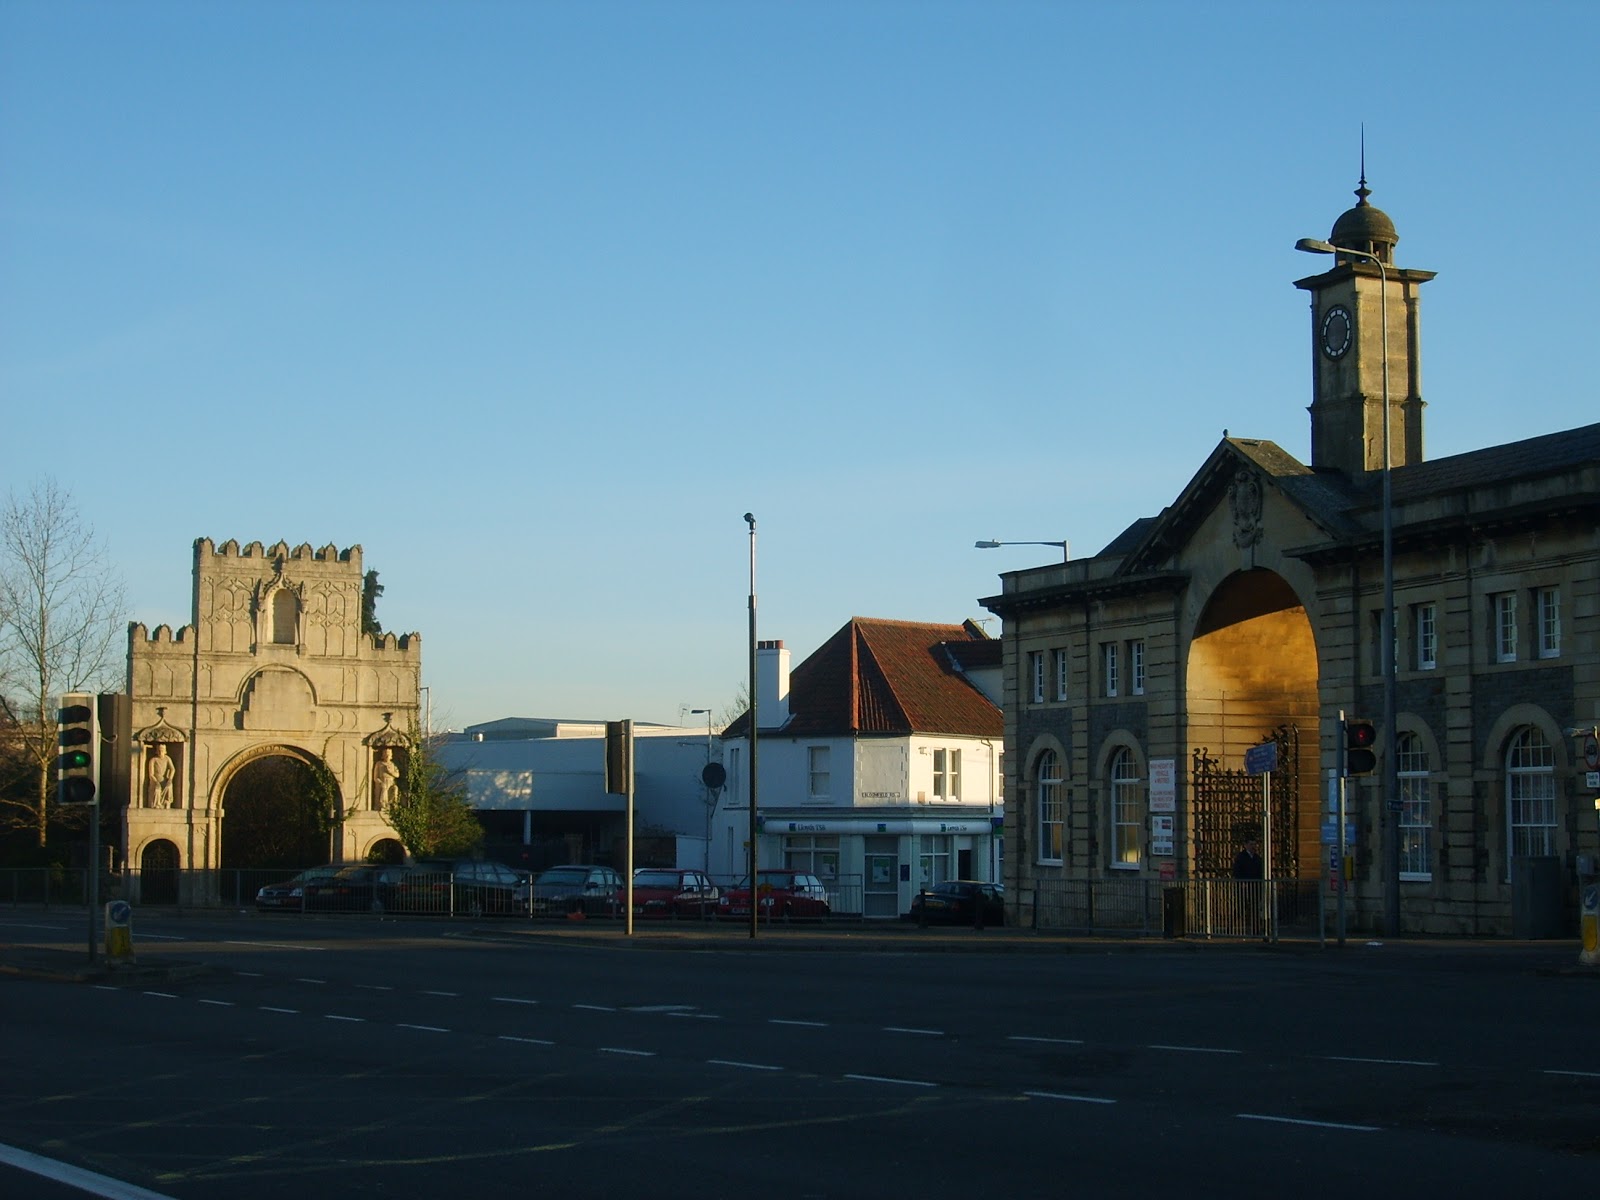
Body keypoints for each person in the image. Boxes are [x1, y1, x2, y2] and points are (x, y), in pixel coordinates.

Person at [145, 742, 175, 808]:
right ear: (156, 751)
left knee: (169, 786)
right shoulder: (153, 760)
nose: (160, 752)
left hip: (164, 780)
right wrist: (156, 782)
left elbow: (172, 769)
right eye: (159, 750)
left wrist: (170, 779)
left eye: (162, 750)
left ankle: (166, 802)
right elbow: (151, 774)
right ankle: (157, 804)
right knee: (157, 788)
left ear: (165, 751)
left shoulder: (167, 758)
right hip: (155, 780)